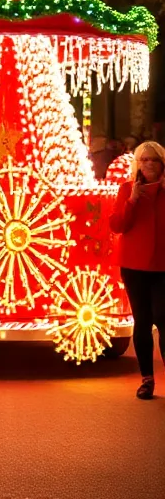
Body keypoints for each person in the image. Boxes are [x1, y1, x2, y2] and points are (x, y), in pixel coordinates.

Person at [107, 141, 165, 400]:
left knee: (163, 318)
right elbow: (117, 225)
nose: (149, 164)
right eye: (145, 160)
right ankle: (147, 379)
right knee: (141, 322)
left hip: (162, 266)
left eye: (154, 160)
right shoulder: (126, 190)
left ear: (162, 164)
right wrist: (132, 200)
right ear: (138, 164)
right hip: (134, 266)